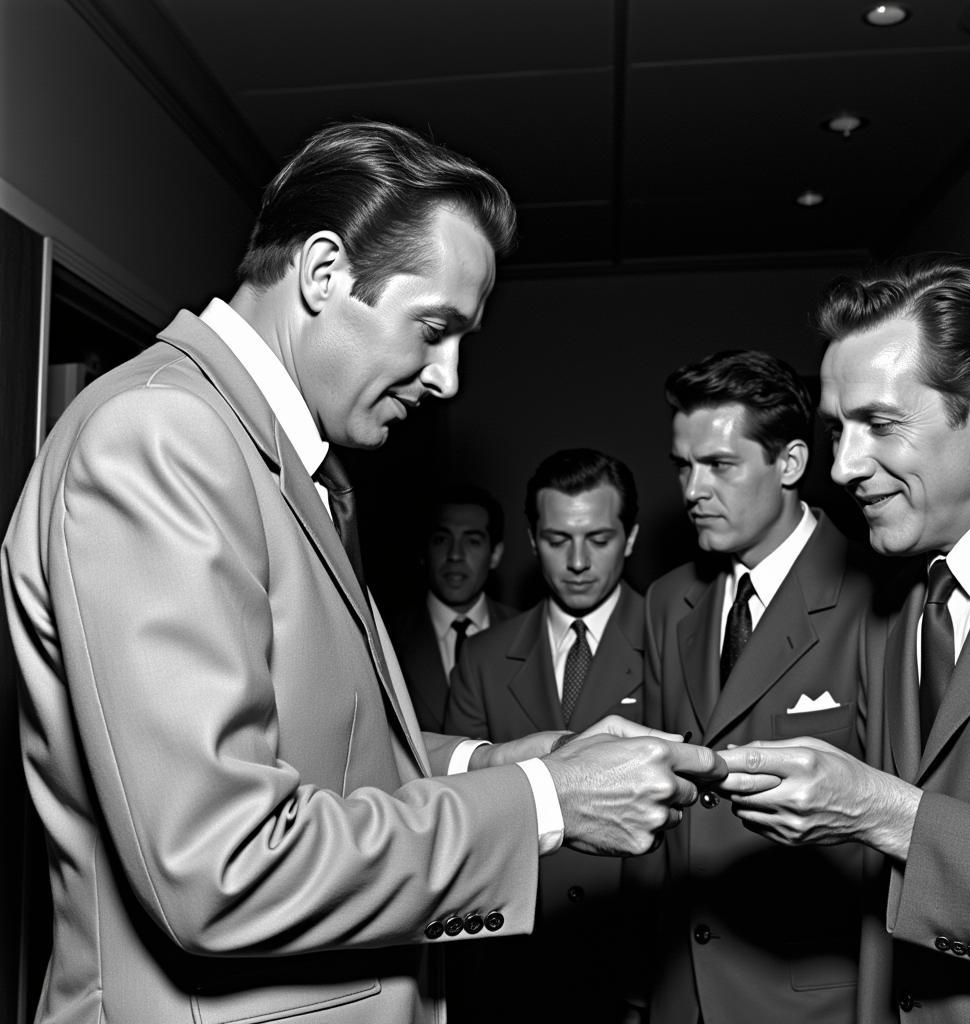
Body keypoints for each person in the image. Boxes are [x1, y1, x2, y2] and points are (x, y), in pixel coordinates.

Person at [1, 120, 725, 1024]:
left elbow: (305, 747)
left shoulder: (265, 456)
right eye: (433, 328)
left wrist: (489, 760)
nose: (450, 378)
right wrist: (545, 803)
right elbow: (224, 868)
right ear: (323, 272)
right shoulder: (162, 437)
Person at [719, 253, 970, 1022]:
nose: (844, 466)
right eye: (835, 430)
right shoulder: (904, 602)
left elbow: (899, 820)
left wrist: (886, 813)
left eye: (880, 425)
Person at [637, 350, 874, 1024]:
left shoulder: (875, 595)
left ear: (791, 464)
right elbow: (658, 810)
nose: (691, 491)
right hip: (680, 992)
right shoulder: (668, 600)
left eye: (719, 466)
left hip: (809, 1001)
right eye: (683, 466)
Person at [445, 447, 646, 1024]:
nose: (578, 560)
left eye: (600, 539)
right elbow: (459, 811)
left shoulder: (675, 641)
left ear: (629, 538)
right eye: (558, 539)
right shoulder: (482, 659)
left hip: (634, 960)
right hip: (509, 961)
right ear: (532, 540)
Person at [388, 483, 517, 732]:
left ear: (495, 555)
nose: (455, 555)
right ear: (423, 551)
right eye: (441, 539)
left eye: (473, 541)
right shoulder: (386, 639)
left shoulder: (529, 634)